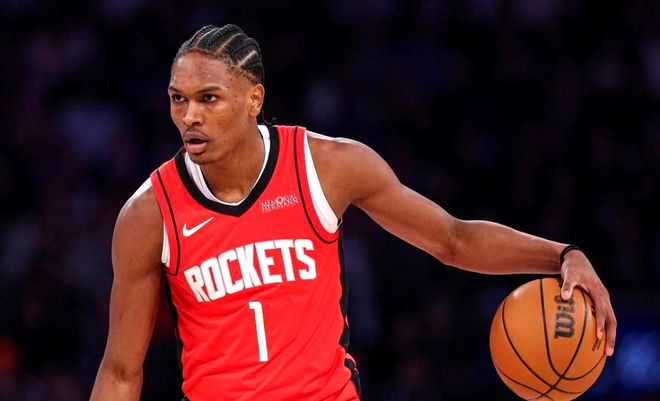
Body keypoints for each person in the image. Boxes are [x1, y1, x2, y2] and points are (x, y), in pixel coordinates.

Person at [89, 23, 617, 401]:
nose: (189, 116)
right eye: (177, 99)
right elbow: (120, 372)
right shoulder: (149, 213)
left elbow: (452, 239)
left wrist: (563, 255)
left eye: (209, 98)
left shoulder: (326, 166)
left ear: (254, 99)